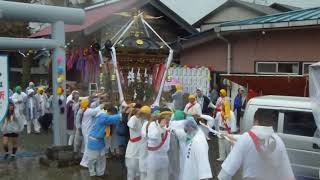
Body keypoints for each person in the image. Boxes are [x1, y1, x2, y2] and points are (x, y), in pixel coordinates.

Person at [218, 109, 295, 180]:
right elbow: (289, 176)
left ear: (256, 121)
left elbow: (225, 174)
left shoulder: (246, 138)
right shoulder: (279, 141)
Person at [86, 105, 122, 177]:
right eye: (113, 114)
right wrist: (121, 115)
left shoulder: (103, 115)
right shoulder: (102, 116)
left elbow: (111, 119)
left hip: (100, 140)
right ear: (110, 112)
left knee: (102, 158)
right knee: (92, 159)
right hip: (94, 140)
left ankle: (100, 173)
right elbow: (111, 119)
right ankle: (92, 173)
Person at [142, 110, 172, 180]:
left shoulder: (168, 127)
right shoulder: (153, 125)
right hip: (153, 157)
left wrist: (164, 129)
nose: (168, 119)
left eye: (169, 117)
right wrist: (160, 128)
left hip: (164, 156)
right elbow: (153, 136)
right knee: (151, 177)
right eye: (166, 117)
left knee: (163, 177)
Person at [125, 105, 149, 180]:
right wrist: (136, 115)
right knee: (131, 169)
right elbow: (130, 124)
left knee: (140, 170)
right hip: (133, 148)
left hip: (141, 148)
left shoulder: (144, 120)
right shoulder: (134, 119)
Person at [79, 98, 102, 168]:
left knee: (87, 146)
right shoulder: (88, 111)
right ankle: (84, 162)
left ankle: (86, 161)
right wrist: (101, 105)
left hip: (85, 130)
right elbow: (95, 111)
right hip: (87, 131)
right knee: (87, 147)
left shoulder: (82, 110)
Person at [216, 89, 237, 161]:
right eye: (223, 105)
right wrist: (217, 130)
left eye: (224, 105)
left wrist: (232, 132)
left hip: (227, 131)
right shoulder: (220, 113)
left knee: (227, 145)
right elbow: (217, 122)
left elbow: (233, 123)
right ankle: (222, 157)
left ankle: (229, 158)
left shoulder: (231, 113)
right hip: (221, 130)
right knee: (220, 144)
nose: (223, 106)